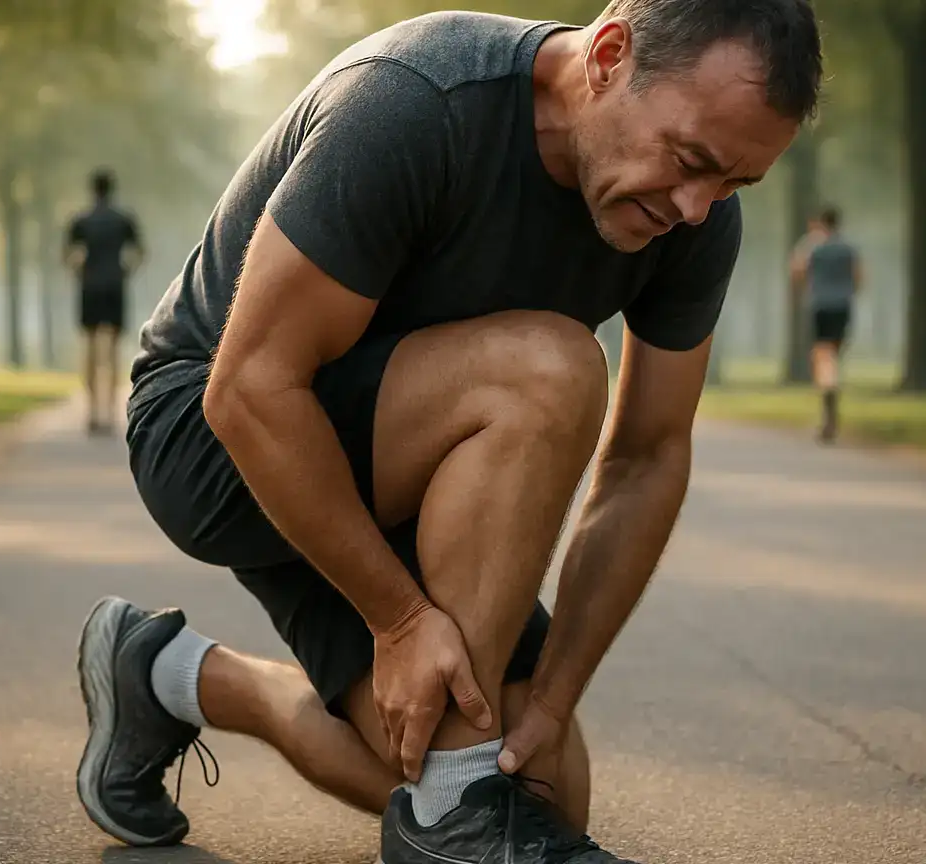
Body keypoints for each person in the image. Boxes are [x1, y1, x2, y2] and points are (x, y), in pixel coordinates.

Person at [75, 2, 821, 862]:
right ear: (610, 55)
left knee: (538, 794)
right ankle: (449, 818)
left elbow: (649, 455)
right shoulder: (415, 102)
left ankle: (167, 675)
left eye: (733, 184)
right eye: (689, 161)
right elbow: (250, 388)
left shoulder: (691, 218)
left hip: (412, 468)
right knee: (551, 368)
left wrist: (552, 700)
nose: (697, 207)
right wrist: (397, 621)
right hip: (222, 434)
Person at [65, 168, 143, 435]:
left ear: (92, 189)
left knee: (89, 349)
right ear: (112, 189)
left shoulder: (81, 220)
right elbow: (138, 252)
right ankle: (109, 413)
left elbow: (69, 255)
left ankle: (92, 411)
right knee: (112, 351)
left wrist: (79, 271)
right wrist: (125, 271)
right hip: (114, 286)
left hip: (89, 287)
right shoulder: (123, 220)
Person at [790, 205, 861, 442]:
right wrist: (848, 291)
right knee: (834, 352)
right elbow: (859, 276)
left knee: (822, 354)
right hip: (843, 306)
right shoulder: (848, 247)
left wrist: (808, 288)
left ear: (821, 222)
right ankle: (832, 385)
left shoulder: (812, 245)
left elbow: (797, 270)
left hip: (820, 305)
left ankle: (829, 391)